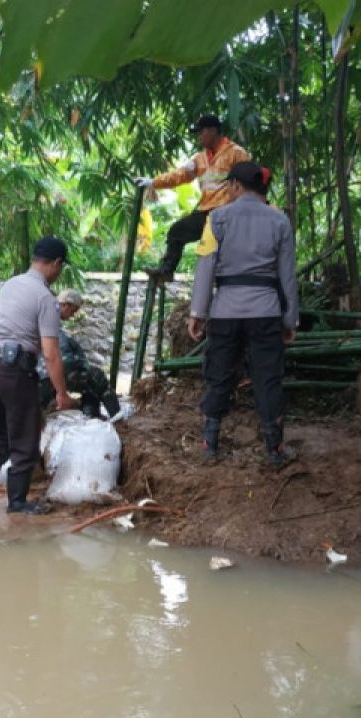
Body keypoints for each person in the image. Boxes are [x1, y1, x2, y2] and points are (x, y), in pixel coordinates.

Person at [187, 161, 299, 466]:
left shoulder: (217, 218)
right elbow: (287, 275)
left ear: (236, 186)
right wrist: (290, 319)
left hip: (225, 311)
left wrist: (198, 312)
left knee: (219, 373)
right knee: (267, 377)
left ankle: (210, 444)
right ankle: (274, 449)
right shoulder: (280, 221)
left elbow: (205, 266)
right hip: (266, 311)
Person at [0, 236, 75, 514]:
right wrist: (62, 393)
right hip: (13, 369)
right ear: (56, 264)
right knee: (25, 440)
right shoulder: (45, 297)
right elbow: (51, 353)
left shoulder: (10, 284)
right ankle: (17, 502)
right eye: (61, 267)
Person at [137, 114, 250, 282]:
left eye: (201, 132)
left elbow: (250, 182)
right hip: (207, 212)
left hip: (229, 213)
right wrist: (153, 182)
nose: (199, 137)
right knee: (177, 231)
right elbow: (179, 176)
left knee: (222, 254)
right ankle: (166, 271)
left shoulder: (236, 154)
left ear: (213, 131)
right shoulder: (199, 159)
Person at [38, 289, 120, 419]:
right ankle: (116, 416)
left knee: (86, 377)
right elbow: (64, 359)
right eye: (73, 311)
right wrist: (83, 364)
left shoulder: (43, 314)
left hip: (38, 375)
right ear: (66, 305)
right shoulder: (52, 321)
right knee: (95, 376)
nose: (72, 316)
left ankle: (91, 413)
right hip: (47, 376)